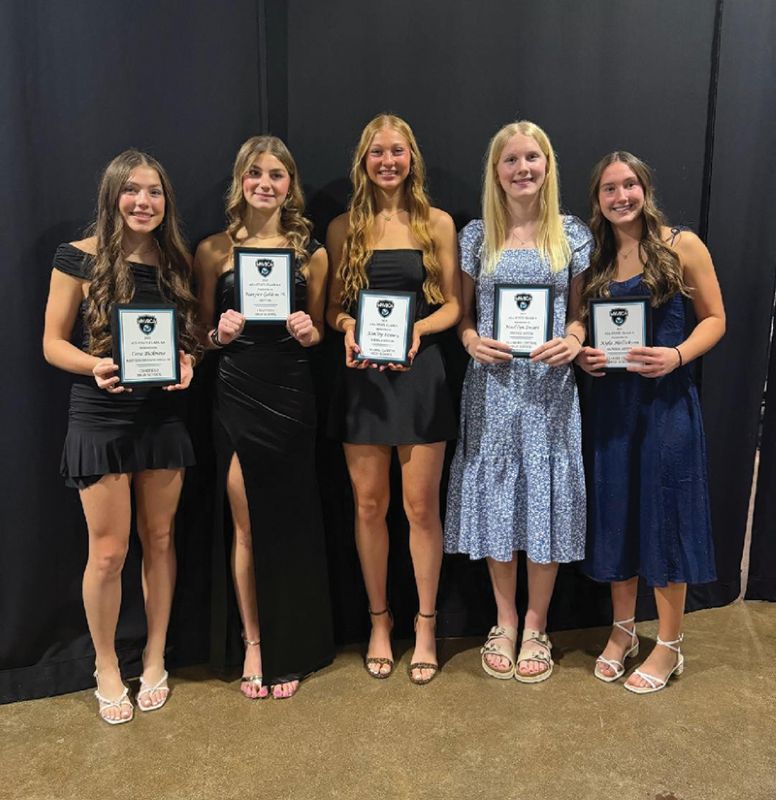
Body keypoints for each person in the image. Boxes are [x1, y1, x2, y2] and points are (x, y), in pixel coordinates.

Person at [42, 150, 200, 724]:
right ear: (113, 196)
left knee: (160, 540)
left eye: (154, 192)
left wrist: (190, 364)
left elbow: (193, 339)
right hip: (100, 414)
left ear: (166, 201)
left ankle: (155, 656)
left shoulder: (176, 259)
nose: (143, 202)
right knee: (108, 553)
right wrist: (94, 366)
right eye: (132, 190)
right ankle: (106, 665)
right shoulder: (77, 259)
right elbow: (52, 343)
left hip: (162, 417)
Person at [444, 121, 591, 684]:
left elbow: (578, 313)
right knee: (498, 499)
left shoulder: (572, 235)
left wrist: (575, 339)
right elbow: (464, 316)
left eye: (532, 157)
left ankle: (536, 625)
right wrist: (469, 341)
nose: (522, 168)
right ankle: (503, 621)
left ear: (548, 165)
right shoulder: (476, 236)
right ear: (496, 171)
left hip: (550, 390)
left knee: (544, 501)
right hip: (493, 389)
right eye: (511, 160)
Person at [576, 151, 725, 693]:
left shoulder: (680, 244)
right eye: (609, 189)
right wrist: (587, 355)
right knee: (617, 514)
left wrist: (678, 355)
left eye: (629, 185)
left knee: (666, 519)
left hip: (667, 407)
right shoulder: (595, 259)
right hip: (613, 408)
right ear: (598, 200)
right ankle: (623, 630)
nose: (621, 197)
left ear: (645, 188)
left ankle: (669, 644)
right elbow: (588, 332)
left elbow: (715, 319)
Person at [195, 135, 334, 700]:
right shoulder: (212, 251)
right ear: (241, 181)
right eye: (256, 173)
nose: (266, 184)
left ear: (290, 185)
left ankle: (293, 644)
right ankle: (255, 641)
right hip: (237, 393)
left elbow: (320, 330)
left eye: (277, 174)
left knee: (290, 521)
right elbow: (199, 335)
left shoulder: (313, 254)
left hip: (292, 394)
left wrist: (310, 331)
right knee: (248, 524)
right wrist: (217, 334)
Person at [326, 113, 460, 684]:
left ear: (412, 158)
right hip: (363, 381)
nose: (387, 161)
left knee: (421, 509)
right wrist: (346, 327)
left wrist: (419, 331)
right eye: (377, 152)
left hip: (420, 377)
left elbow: (454, 306)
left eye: (397, 151)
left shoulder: (438, 223)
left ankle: (425, 624)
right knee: (368, 507)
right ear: (363, 160)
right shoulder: (342, 228)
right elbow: (330, 308)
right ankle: (380, 622)